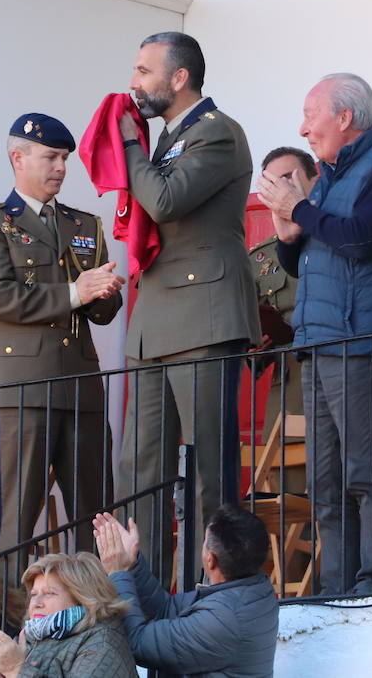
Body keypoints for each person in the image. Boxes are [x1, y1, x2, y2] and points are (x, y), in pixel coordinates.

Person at [257, 73, 372, 595]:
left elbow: (361, 239)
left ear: (345, 118)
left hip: (361, 340)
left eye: (311, 115)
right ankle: (334, 587)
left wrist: (299, 209)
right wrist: (288, 233)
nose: (303, 128)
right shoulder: (330, 173)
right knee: (325, 483)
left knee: (366, 474)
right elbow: (310, 259)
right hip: (318, 341)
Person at [115, 32, 260, 583]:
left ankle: (210, 591)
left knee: (207, 472)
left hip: (203, 315)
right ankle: (143, 588)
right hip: (155, 318)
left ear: (179, 79)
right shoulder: (170, 137)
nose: (134, 82)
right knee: (140, 469)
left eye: (144, 70)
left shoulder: (218, 133)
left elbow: (166, 199)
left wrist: (129, 143)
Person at [0, 114, 125, 578]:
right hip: (24, 388)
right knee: (16, 520)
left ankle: (94, 618)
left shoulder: (85, 224)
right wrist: (78, 291)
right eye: (50, 157)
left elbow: (101, 314)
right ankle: (2, 628)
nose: (60, 167)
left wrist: (104, 293)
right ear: (19, 158)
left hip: (80, 384)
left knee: (95, 517)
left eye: (64, 159)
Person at [93, 506, 278, 678]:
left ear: (210, 559)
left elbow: (137, 643)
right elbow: (165, 609)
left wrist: (118, 573)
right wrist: (132, 563)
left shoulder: (222, 619)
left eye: (205, 542)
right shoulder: (255, 587)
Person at [248, 148, 318, 440]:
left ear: (315, 179)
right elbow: (251, 358)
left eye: (289, 177)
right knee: (284, 484)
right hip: (289, 393)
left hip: (340, 374)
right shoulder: (260, 259)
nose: (282, 188)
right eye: (273, 183)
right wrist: (254, 346)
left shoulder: (336, 234)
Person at [0, 554, 134, 678]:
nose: (36, 603)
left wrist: (16, 669)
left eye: (49, 593)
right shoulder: (30, 638)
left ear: (82, 598)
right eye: (33, 594)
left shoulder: (102, 642)